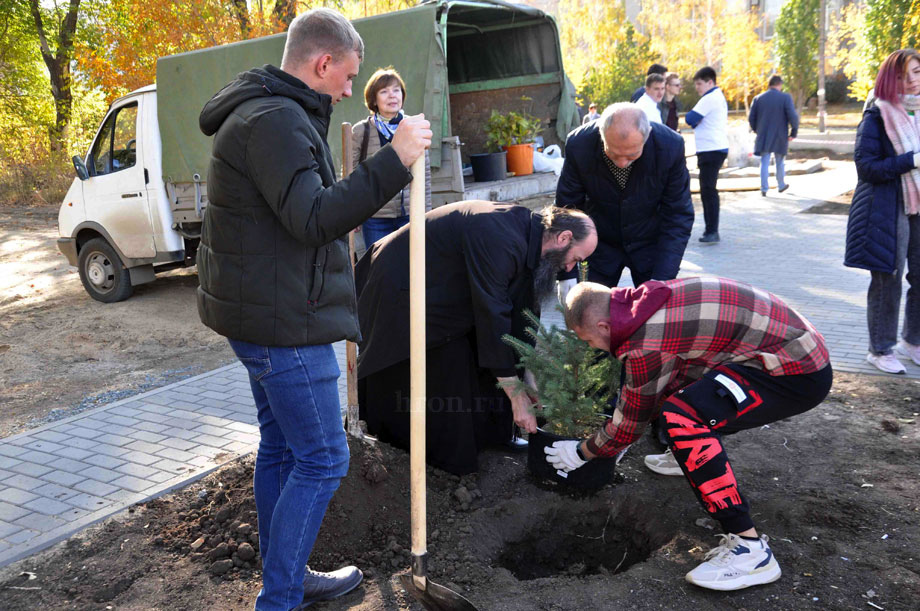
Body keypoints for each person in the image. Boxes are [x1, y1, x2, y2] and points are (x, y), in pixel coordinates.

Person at [196, 8, 431, 610]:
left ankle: (289, 578)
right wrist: (394, 160)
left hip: (264, 315)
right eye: (349, 76)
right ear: (322, 63)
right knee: (325, 459)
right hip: (284, 327)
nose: (354, 89)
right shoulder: (274, 121)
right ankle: (279, 600)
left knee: (281, 447)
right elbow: (315, 218)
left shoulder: (269, 111)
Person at [554, 278, 832, 591]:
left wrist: (582, 451)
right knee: (682, 401)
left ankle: (750, 550)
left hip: (795, 372)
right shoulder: (645, 301)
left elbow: (631, 423)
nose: (592, 348)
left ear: (604, 326)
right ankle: (688, 454)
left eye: (588, 340)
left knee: (682, 417)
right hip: (786, 348)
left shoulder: (644, 339)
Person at [355, 202, 597, 475]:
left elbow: (518, 316)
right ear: (563, 238)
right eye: (576, 258)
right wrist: (516, 396)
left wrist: (528, 380)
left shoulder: (530, 238)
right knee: (450, 365)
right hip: (402, 285)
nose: (570, 267)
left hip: (442, 285)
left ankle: (492, 437)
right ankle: (439, 465)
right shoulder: (502, 238)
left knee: (485, 357)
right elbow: (492, 316)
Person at [556, 103, 693, 290]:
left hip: (650, 244)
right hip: (599, 244)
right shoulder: (580, 144)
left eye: (631, 155)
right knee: (587, 314)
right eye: (612, 154)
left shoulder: (670, 147)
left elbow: (678, 215)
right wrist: (566, 273)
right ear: (601, 134)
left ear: (647, 136)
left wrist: (662, 279)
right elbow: (567, 211)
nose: (621, 163)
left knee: (656, 314)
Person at [845, 48, 920, 375]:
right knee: (887, 280)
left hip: (917, 205)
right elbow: (866, 166)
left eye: (919, 71)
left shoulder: (918, 112)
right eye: (910, 74)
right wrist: (911, 161)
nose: (917, 79)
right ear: (894, 78)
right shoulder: (877, 114)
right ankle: (879, 349)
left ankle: (912, 341)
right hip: (887, 208)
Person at [351, 67, 431, 250]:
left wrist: (425, 212)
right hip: (376, 216)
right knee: (380, 270)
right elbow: (352, 172)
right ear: (374, 99)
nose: (392, 96)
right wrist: (352, 212)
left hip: (410, 214)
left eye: (396, 90)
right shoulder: (361, 131)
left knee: (411, 269)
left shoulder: (414, 127)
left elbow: (425, 175)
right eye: (384, 91)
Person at [686, 66, 728, 244]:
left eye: (699, 84)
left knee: (708, 191)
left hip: (710, 150)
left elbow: (690, 118)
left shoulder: (709, 98)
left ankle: (712, 231)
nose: (697, 88)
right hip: (715, 148)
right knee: (709, 190)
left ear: (710, 82)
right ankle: (711, 229)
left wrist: (696, 122)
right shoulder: (717, 96)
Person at [749, 75, 798, 197]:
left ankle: (764, 188)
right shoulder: (785, 98)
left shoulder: (758, 98)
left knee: (764, 161)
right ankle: (781, 185)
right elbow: (793, 116)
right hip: (780, 134)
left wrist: (757, 130)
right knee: (780, 161)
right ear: (779, 85)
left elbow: (751, 118)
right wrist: (793, 132)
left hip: (764, 135)